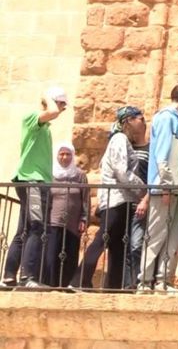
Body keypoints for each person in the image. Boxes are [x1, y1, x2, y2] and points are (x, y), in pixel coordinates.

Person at [72, 106, 147, 289]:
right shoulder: (119, 139)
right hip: (116, 200)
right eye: (140, 118)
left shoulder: (123, 141)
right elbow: (122, 172)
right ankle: (79, 280)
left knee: (117, 246)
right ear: (128, 120)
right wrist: (144, 190)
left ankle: (113, 286)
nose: (143, 123)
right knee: (102, 239)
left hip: (122, 200)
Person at [2, 87, 67, 288]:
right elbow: (53, 112)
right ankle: (27, 277)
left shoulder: (45, 128)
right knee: (37, 227)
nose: (63, 109)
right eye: (61, 103)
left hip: (36, 183)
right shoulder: (33, 119)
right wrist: (48, 96)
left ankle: (9, 276)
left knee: (25, 229)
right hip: (33, 182)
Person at [139, 82, 178, 293]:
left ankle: (164, 281)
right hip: (166, 190)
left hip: (176, 190)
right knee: (156, 235)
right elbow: (162, 156)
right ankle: (144, 281)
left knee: (172, 237)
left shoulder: (176, 122)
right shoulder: (165, 119)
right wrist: (166, 187)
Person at [44, 142, 89, 287]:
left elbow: (85, 199)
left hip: (73, 223)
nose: (65, 157)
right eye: (61, 154)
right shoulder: (50, 175)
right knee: (52, 256)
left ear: (73, 155)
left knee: (69, 257)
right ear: (56, 156)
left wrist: (84, 218)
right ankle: (50, 286)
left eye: (68, 154)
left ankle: (66, 286)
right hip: (53, 222)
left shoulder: (80, 176)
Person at [123, 121, 150, 289]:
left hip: (141, 203)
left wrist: (146, 199)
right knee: (125, 245)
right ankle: (127, 284)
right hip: (125, 202)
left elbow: (153, 178)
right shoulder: (126, 147)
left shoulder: (150, 149)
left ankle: (138, 281)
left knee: (136, 244)